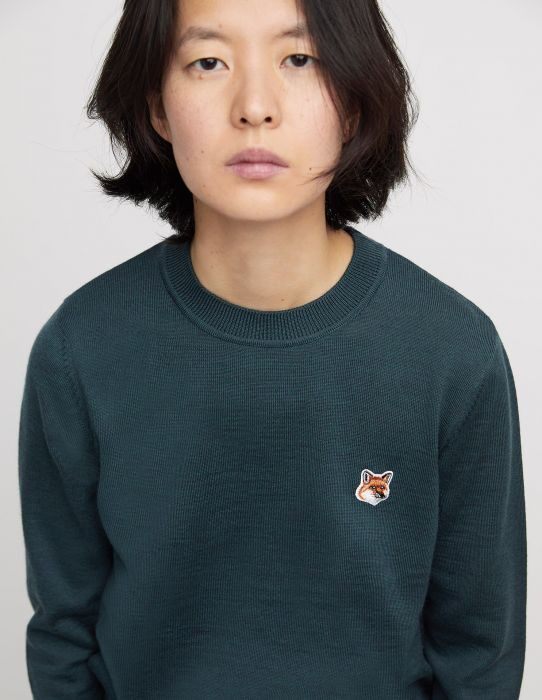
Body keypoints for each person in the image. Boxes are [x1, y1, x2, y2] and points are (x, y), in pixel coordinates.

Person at [17, 0, 527, 698]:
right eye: (208, 62)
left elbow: (479, 653)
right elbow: (64, 633)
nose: (255, 107)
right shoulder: (81, 350)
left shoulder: (452, 353)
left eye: (299, 59)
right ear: (157, 106)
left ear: (354, 100)